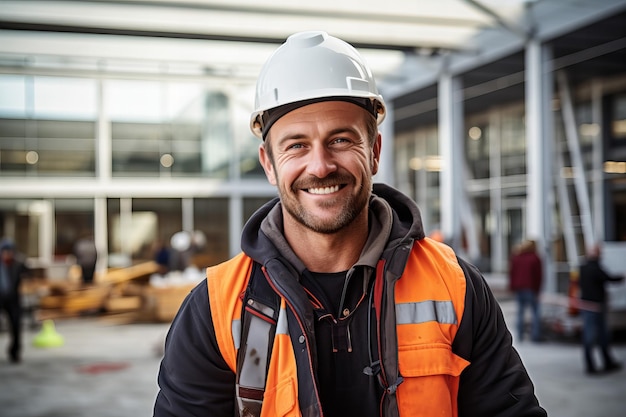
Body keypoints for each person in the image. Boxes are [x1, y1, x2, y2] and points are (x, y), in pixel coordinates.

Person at [153, 31, 546, 417]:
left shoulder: (455, 287)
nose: (321, 165)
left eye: (341, 140)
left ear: (374, 152)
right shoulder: (216, 308)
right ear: (268, 164)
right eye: (296, 145)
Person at [579, 244, 624, 375]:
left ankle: (601, 363)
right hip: (595, 306)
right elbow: (608, 278)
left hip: (588, 305)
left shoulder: (583, 267)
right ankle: (595, 365)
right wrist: (621, 277)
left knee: (598, 336)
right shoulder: (595, 267)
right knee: (596, 336)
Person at [0, 238, 29, 363]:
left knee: (16, 325)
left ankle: (14, 352)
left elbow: (28, 273)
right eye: (5, 252)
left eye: (10, 252)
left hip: (13, 299)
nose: (8, 254)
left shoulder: (17, 264)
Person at [509, 239, 543, 342]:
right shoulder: (535, 258)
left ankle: (520, 335)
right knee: (535, 312)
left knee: (520, 312)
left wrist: (512, 287)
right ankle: (535, 336)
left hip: (519, 288)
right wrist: (538, 290)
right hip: (531, 288)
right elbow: (538, 276)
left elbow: (512, 273)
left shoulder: (517, 257)